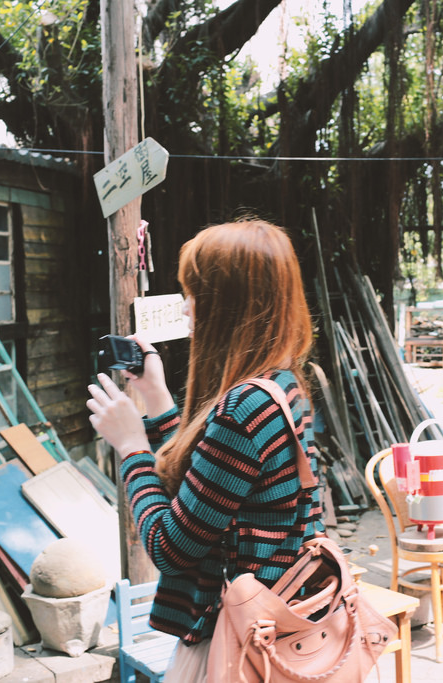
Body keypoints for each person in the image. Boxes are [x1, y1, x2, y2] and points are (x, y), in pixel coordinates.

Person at [86, 219, 323, 682]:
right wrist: (156, 400)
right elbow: (212, 487)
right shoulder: (281, 384)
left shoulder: (243, 408)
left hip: (234, 643)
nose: (186, 306)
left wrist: (132, 447)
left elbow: (170, 546)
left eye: (195, 292)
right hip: (275, 625)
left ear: (227, 306)